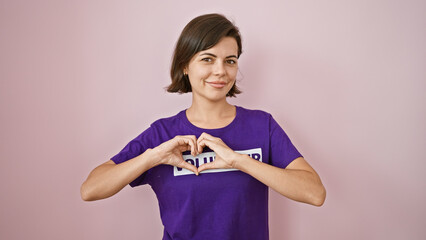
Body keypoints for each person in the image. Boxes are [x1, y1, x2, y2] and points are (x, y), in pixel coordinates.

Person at [81, 13, 326, 240]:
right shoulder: (162, 134)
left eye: (230, 61)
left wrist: (238, 161)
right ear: (185, 66)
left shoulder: (262, 126)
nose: (220, 71)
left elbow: (315, 193)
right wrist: (152, 157)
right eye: (207, 59)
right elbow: (90, 189)